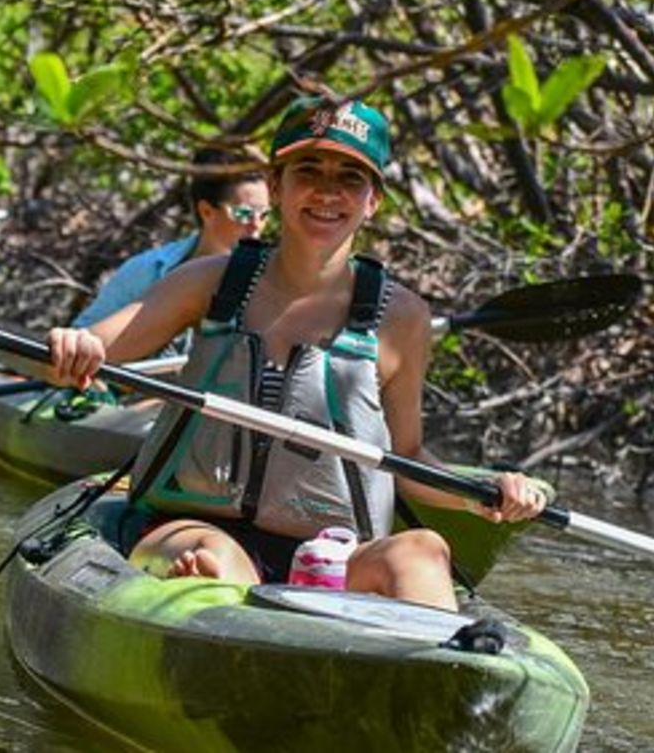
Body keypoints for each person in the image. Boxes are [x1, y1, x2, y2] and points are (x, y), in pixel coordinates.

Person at [44, 95, 547, 611]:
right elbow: (90, 352)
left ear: (373, 200)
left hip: (328, 554)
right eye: (309, 169)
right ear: (276, 185)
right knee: (214, 555)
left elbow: (407, 458)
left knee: (423, 550)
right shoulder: (208, 283)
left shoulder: (403, 318)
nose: (327, 191)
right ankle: (209, 598)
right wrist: (75, 348)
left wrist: (481, 492)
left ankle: (431, 675)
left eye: (350, 177)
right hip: (190, 526)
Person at [73, 147, 271, 337]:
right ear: (207, 212)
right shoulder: (148, 270)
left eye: (264, 215)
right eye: (244, 213)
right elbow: (80, 338)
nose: (256, 225)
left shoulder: (271, 285)